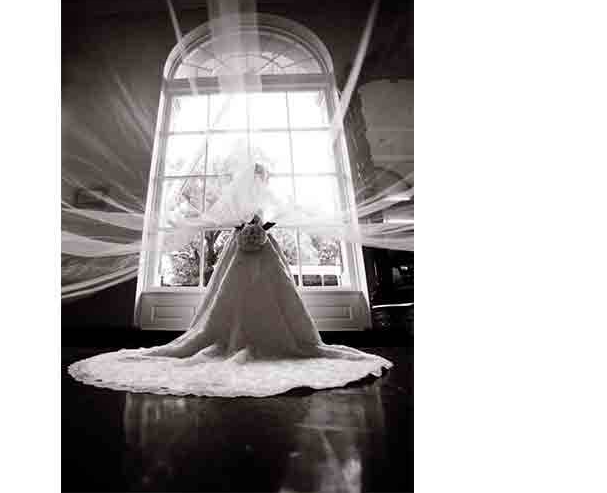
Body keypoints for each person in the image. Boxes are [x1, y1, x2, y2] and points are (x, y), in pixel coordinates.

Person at [68, 162, 392, 397]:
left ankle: (275, 339)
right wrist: (253, 232)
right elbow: (240, 220)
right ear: (256, 179)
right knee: (233, 298)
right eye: (262, 178)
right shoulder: (246, 201)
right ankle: (239, 338)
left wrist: (259, 232)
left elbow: (275, 216)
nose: (264, 182)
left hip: (261, 250)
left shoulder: (263, 200)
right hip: (244, 251)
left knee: (268, 294)